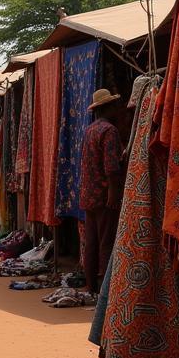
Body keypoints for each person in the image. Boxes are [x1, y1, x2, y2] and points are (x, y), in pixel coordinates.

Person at [79, 88, 124, 292]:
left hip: (88, 195)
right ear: (108, 107)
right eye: (114, 105)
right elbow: (111, 167)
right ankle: (106, 291)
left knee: (91, 243)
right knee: (106, 242)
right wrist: (113, 194)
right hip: (104, 195)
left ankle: (90, 287)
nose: (118, 109)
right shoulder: (109, 131)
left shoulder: (90, 130)